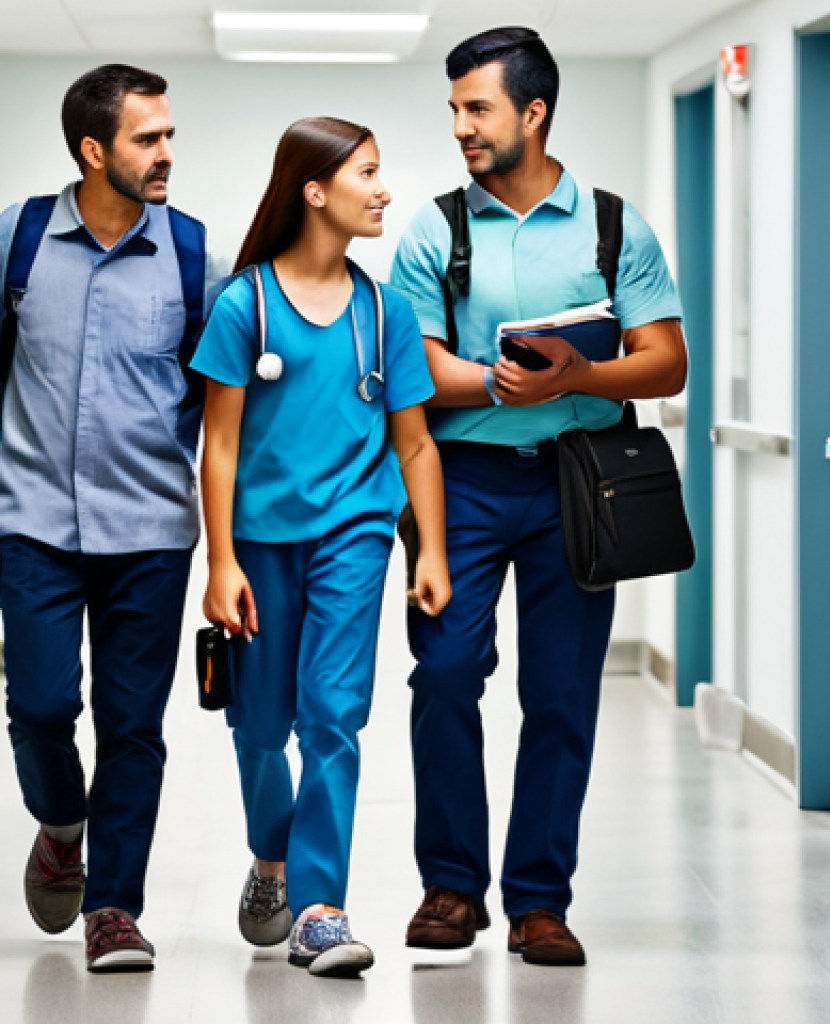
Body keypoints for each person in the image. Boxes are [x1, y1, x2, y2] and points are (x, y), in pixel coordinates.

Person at [390, 27, 687, 968]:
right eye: (455, 112)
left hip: (577, 484)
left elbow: (666, 362)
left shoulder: (612, 225)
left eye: (477, 109)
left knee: (560, 694)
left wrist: (575, 377)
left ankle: (539, 902)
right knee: (443, 674)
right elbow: (418, 372)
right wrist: (502, 382)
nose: (462, 129)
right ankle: (450, 886)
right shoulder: (435, 229)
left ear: (533, 111)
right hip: (462, 483)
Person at [192, 117, 447, 979]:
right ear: (314, 190)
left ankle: (320, 909)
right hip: (260, 547)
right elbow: (219, 445)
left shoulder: (387, 312)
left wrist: (431, 552)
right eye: (367, 175)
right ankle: (272, 858)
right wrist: (219, 560)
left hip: (355, 535)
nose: (382, 191)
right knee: (259, 728)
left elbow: (414, 444)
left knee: (333, 718)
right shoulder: (246, 305)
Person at [0, 65, 209, 973]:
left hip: (153, 534)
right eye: (147, 138)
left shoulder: (196, 253)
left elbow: (219, 397)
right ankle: (61, 822)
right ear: (94, 151)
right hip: (32, 519)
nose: (167, 153)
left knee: (134, 727)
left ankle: (115, 908)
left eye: (169, 134)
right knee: (40, 707)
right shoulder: (17, 241)